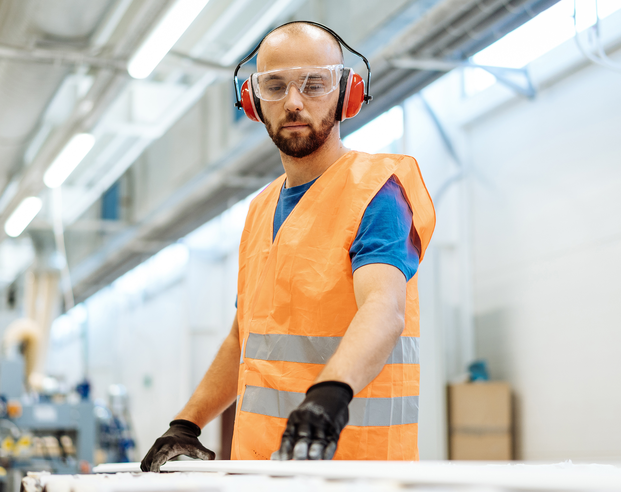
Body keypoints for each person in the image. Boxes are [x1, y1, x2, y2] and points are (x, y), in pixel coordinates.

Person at [141, 21, 435, 471]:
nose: (294, 102)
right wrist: (187, 423)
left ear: (348, 94)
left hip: (357, 471)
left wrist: (328, 395)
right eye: (274, 86)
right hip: (262, 470)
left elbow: (383, 306)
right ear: (253, 103)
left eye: (314, 84)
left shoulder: (377, 191)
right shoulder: (260, 210)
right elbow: (246, 336)